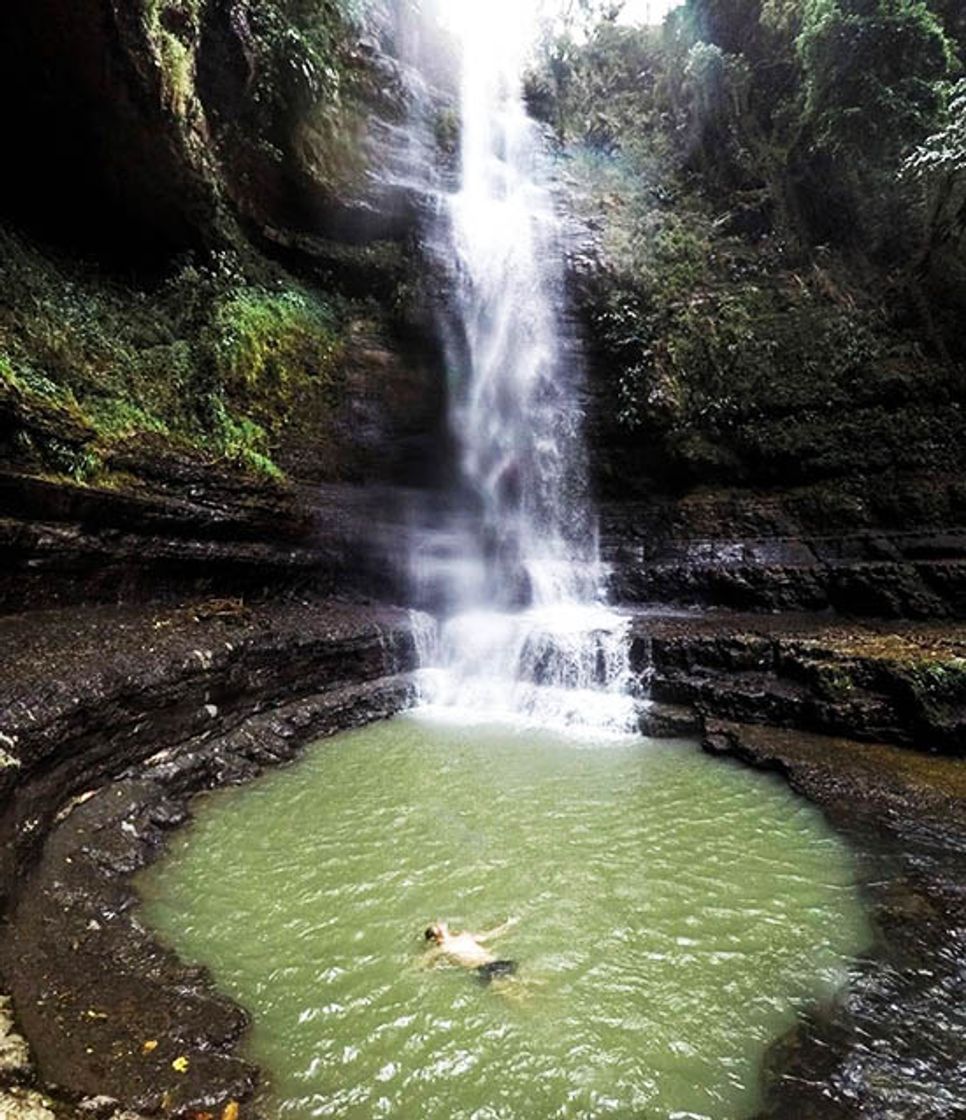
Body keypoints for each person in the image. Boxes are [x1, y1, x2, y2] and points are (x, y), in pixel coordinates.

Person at [422, 918, 519, 984]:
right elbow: (425, 962)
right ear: (437, 936)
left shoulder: (463, 936)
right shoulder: (442, 948)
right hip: (482, 968)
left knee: (517, 985)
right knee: (511, 992)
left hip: (492, 962)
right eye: (439, 927)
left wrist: (507, 926)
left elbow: (486, 936)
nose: (442, 926)